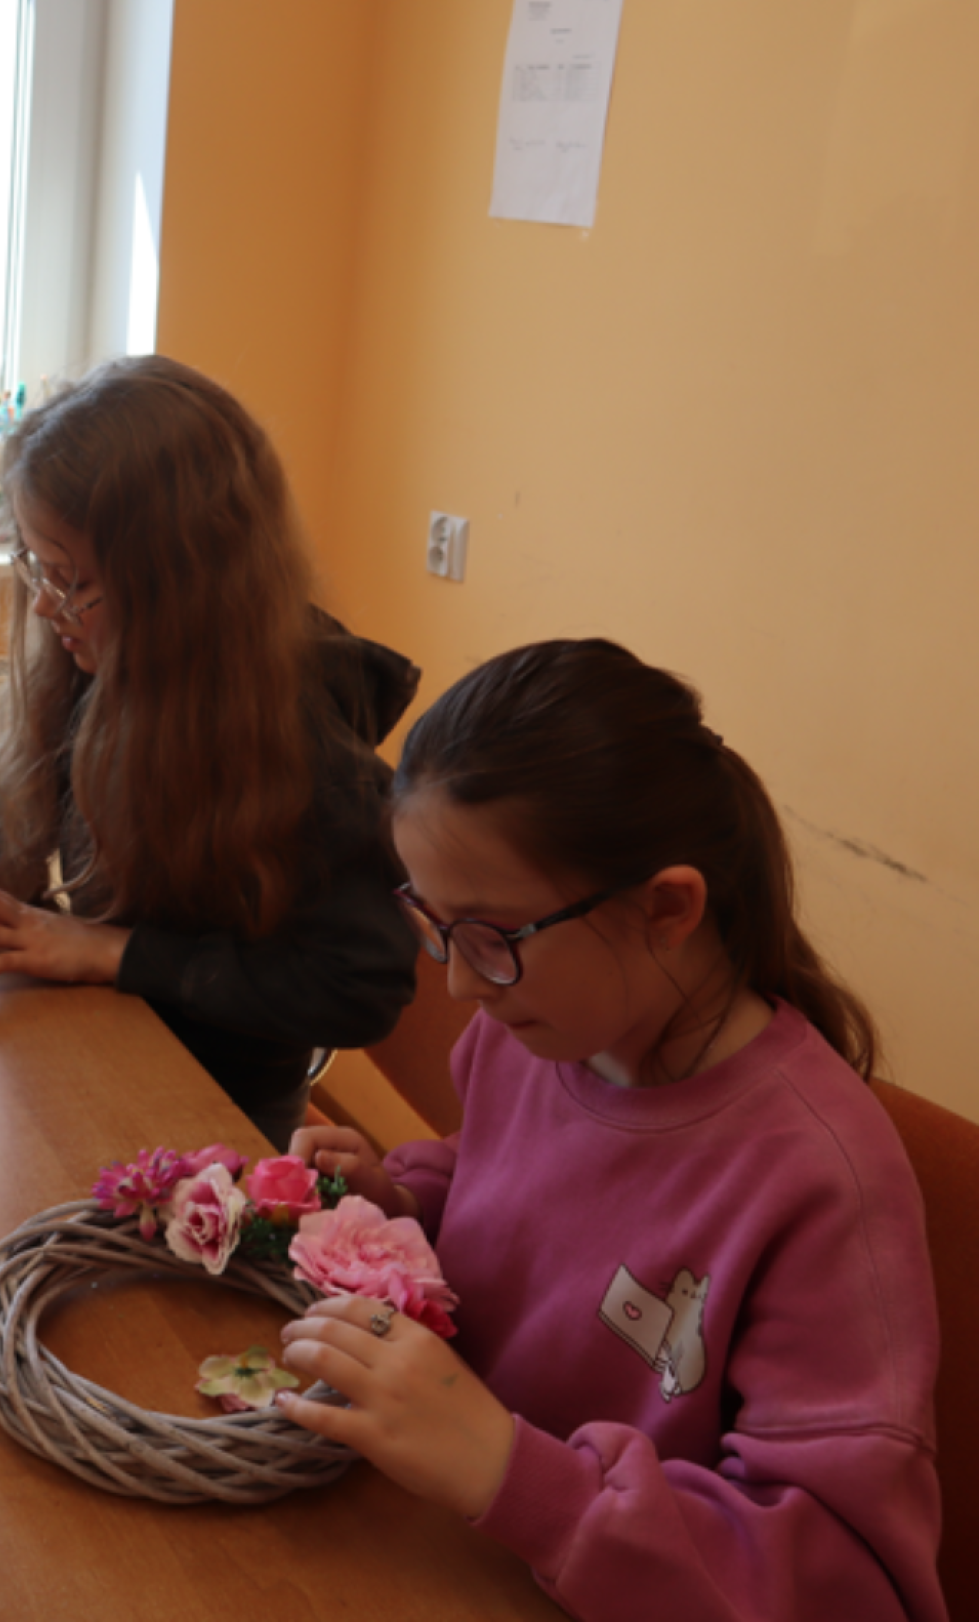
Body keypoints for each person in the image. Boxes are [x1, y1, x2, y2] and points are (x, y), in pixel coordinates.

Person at [280, 638, 946, 1622]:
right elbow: (510, 1194)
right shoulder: (534, 1029)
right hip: (446, 1550)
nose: (458, 984)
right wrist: (408, 1200)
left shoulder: (822, 1181)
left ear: (668, 907)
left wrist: (513, 1474)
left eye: (492, 937)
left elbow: (850, 1586)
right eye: (435, 924)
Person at [0, 355, 420, 1148]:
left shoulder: (305, 745)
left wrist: (115, 952)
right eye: (37, 566)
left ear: (183, 583)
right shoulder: (125, 664)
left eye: (70, 579)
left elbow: (360, 988)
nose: (43, 604)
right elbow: (31, 778)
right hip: (100, 1046)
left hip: (208, 1118)